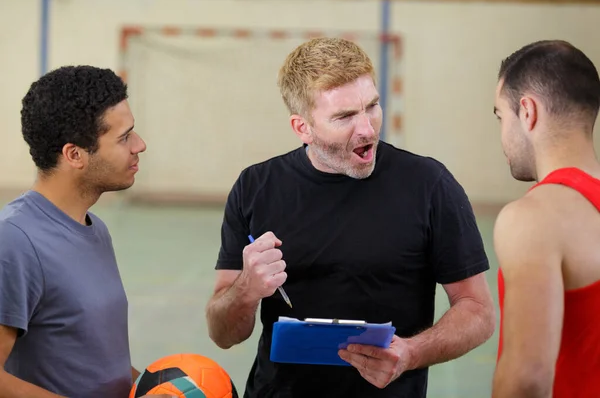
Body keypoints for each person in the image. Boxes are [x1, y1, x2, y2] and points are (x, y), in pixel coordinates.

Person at [205, 37, 495, 397]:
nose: (368, 129)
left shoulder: (429, 185)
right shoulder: (255, 187)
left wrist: (410, 353)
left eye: (371, 106)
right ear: (302, 128)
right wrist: (247, 289)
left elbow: (478, 310)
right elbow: (222, 334)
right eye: (344, 117)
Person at [0, 66, 172, 398]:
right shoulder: (15, 241)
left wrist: (155, 387)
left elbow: (96, 362)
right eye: (124, 137)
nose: (140, 145)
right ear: (74, 155)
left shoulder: (95, 229)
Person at [492, 40, 600, 398]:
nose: (502, 136)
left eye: (500, 116)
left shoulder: (534, 219)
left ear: (527, 112)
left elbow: (527, 379)